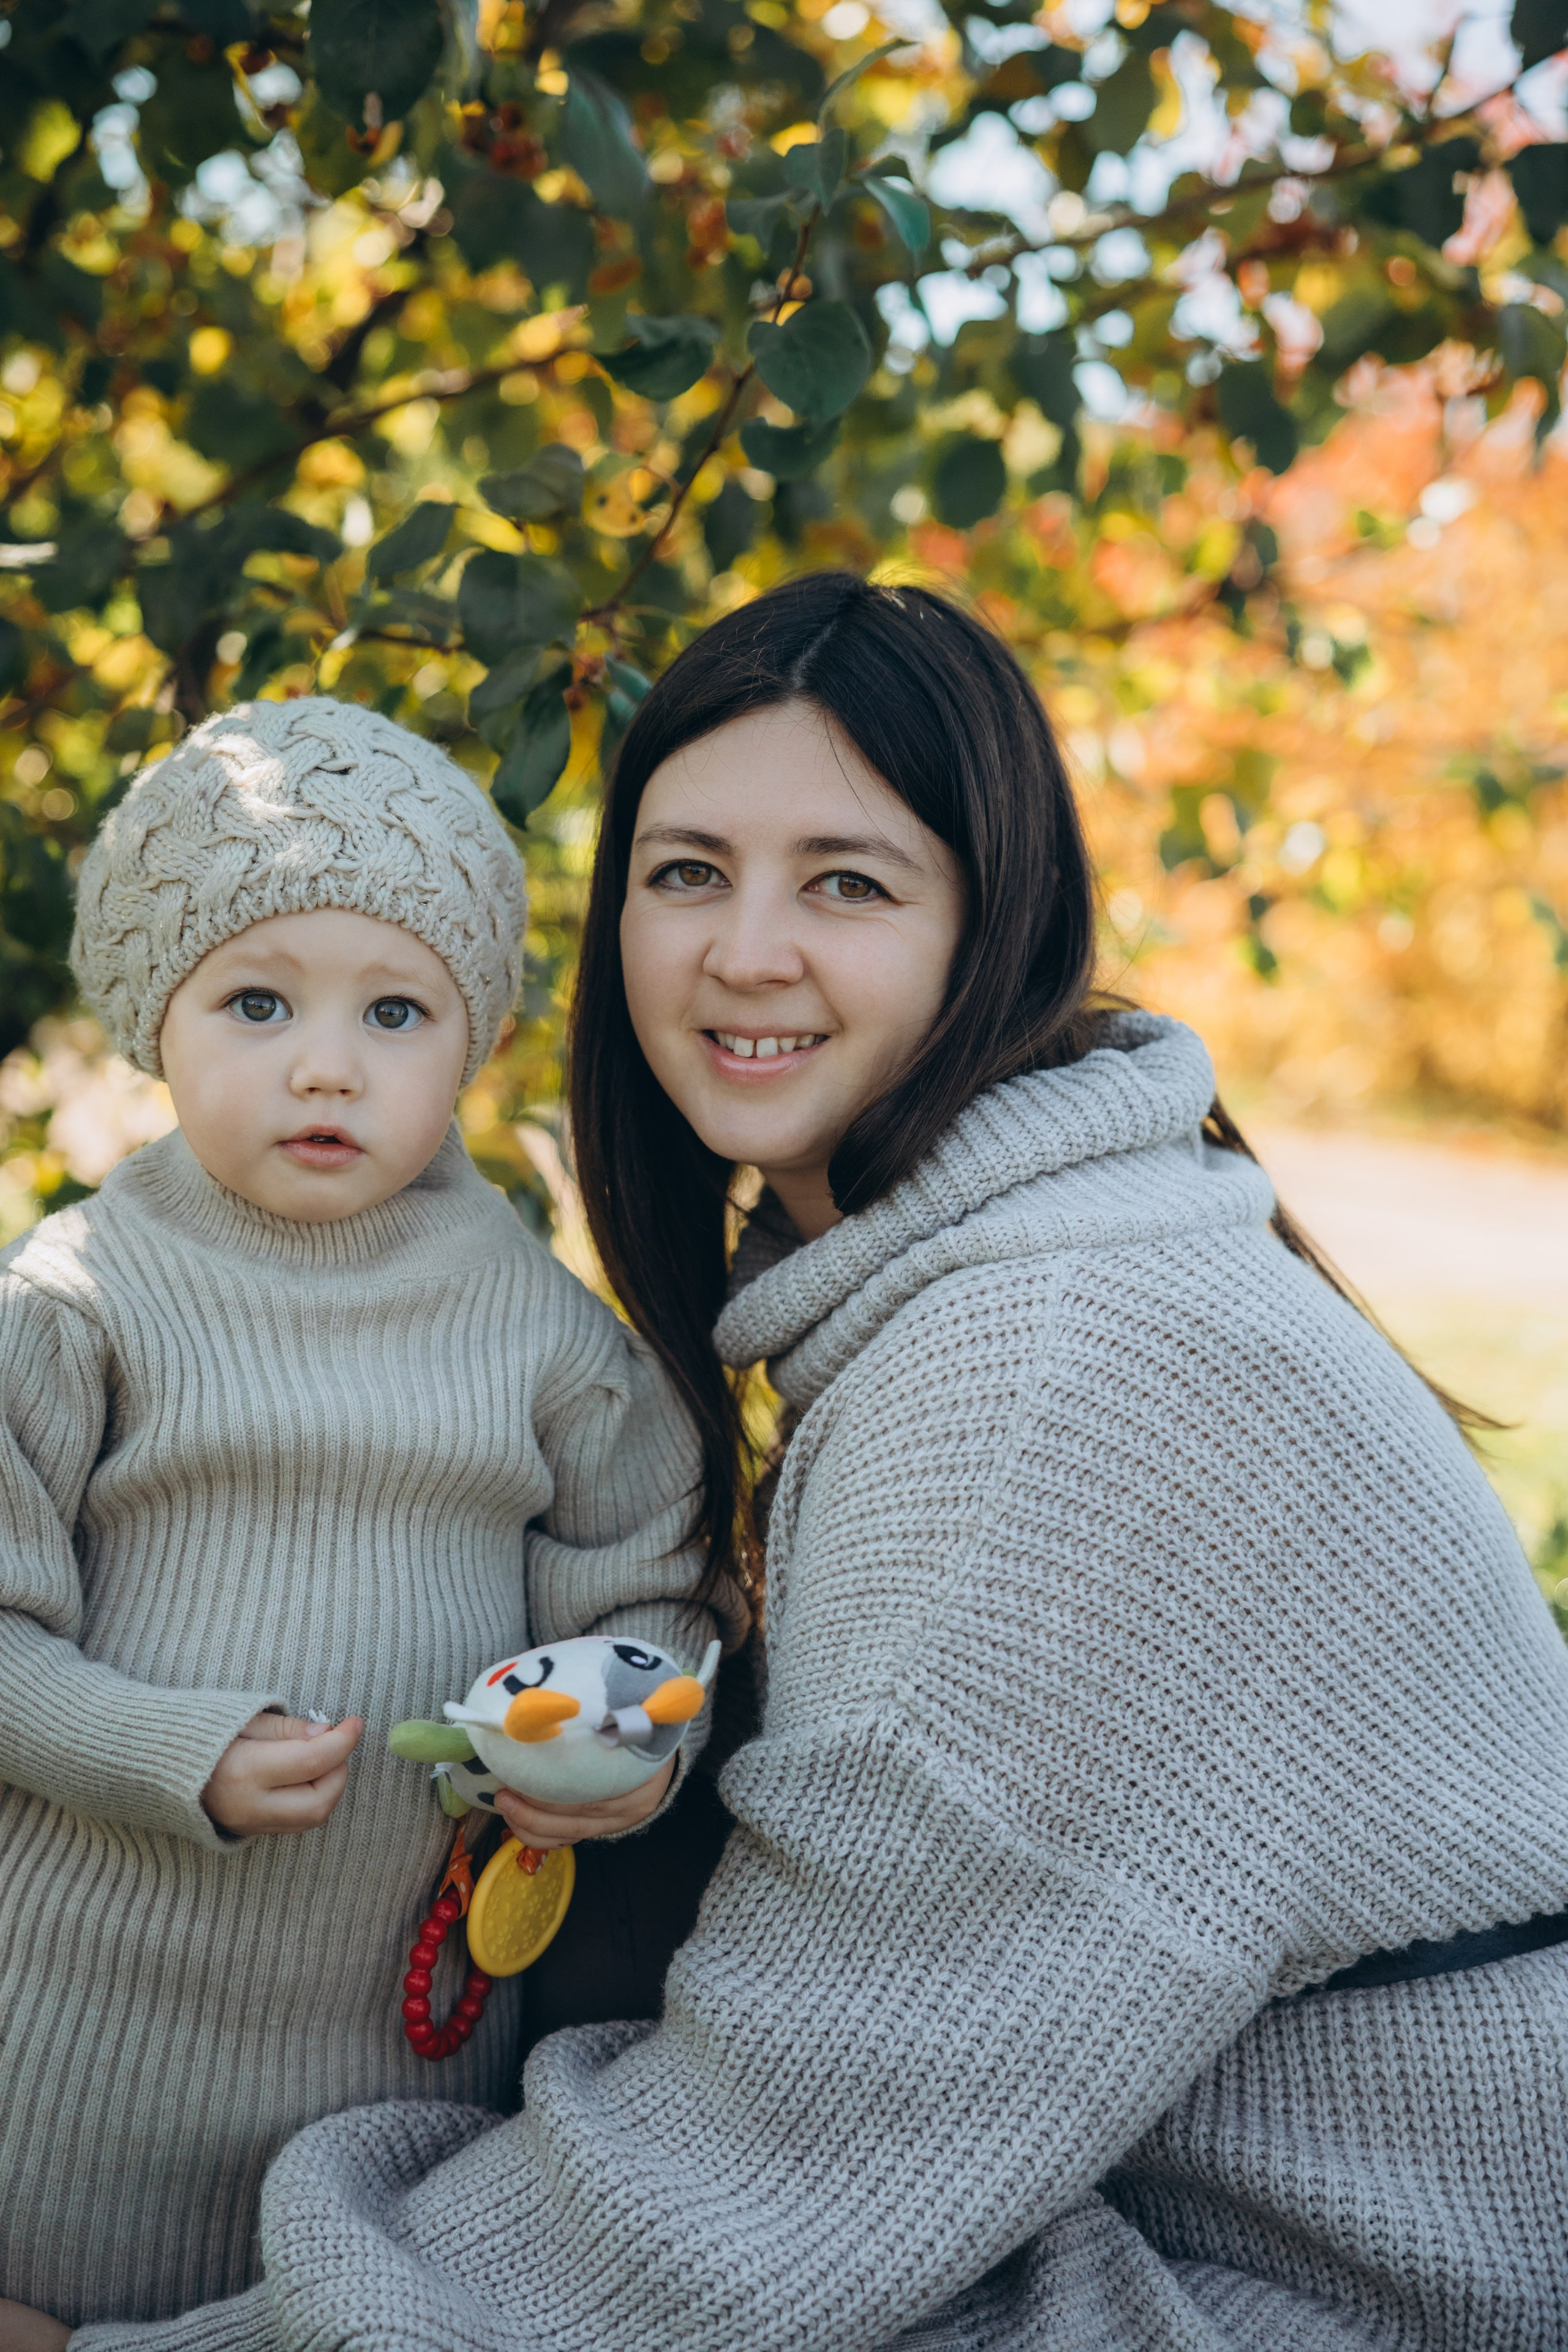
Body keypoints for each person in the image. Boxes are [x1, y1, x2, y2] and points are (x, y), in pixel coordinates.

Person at [42, 575, 1568, 2351]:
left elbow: (778, 2170)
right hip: (1120, 2184)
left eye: (846, 882)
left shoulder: (1054, 1373)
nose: (742, 951)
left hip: (1343, 2288)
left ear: (993, 929)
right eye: (687, 872)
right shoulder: (974, 1274)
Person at [0, 699, 737, 2346]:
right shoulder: (78, 1302)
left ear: (465, 1045)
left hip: (383, 2047)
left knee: (315, 2310)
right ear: (153, 1016)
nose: (326, 1063)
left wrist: (614, 1734)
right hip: (68, 2034)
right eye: (257, 1001)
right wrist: (156, 1746)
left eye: (395, 1010)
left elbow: (654, 1587)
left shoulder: (540, 1329)